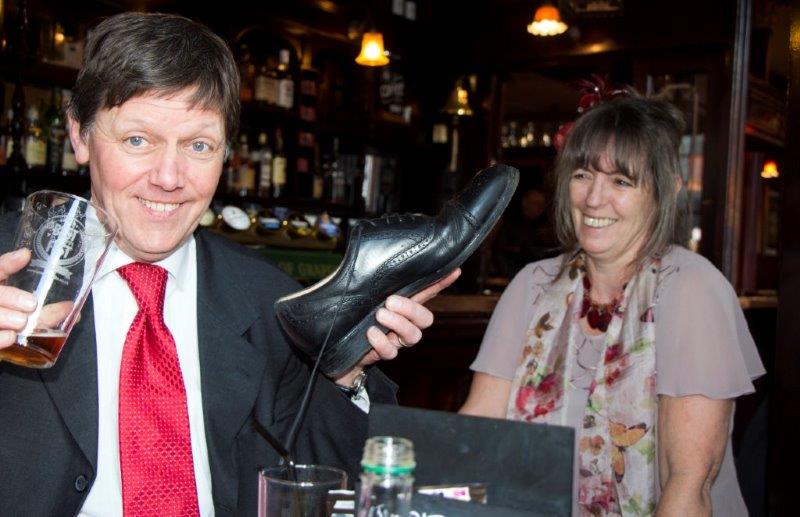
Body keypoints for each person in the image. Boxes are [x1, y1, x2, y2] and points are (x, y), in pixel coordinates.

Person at [0, 12, 459, 516]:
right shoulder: (7, 268)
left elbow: (324, 483)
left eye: (198, 146)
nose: (169, 177)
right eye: (138, 140)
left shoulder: (271, 302)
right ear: (80, 136)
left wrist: (344, 374)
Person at [460, 94, 765, 516]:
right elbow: (477, 426)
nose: (593, 199)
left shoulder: (691, 289)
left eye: (621, 181)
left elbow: (688, 485)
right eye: (583, 175)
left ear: (666, 191)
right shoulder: (534, 284)